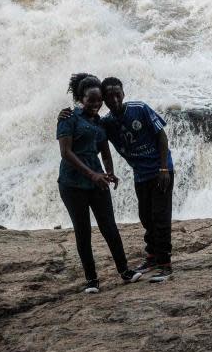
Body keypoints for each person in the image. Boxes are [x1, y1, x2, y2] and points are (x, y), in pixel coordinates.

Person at [57, 73, 142, 293]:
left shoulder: (101, 123)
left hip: (97, 182)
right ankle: (91, 280)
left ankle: (125, 271)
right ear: (80, 99)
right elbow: (66, 153)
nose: (96, 104)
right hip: (72, 184)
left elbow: (105, 152)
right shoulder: (68, 118)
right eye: (90, 100)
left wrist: (109, 172)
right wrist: (92, 174)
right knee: (82, 230)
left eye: (98, 100)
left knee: (109, 227)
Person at [99, 77, 176, 282]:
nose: (114, 99)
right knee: (146, 216)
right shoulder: (106, 122)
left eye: (118, 94)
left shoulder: (139, 108)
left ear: (123, 94)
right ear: (104, 100)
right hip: (141, 175)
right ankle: (151, 256)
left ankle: (165, 264)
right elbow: (95, 137)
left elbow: (162, 136)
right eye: (109, 96)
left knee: (160, 217)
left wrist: (163, 168)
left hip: (161, 171)